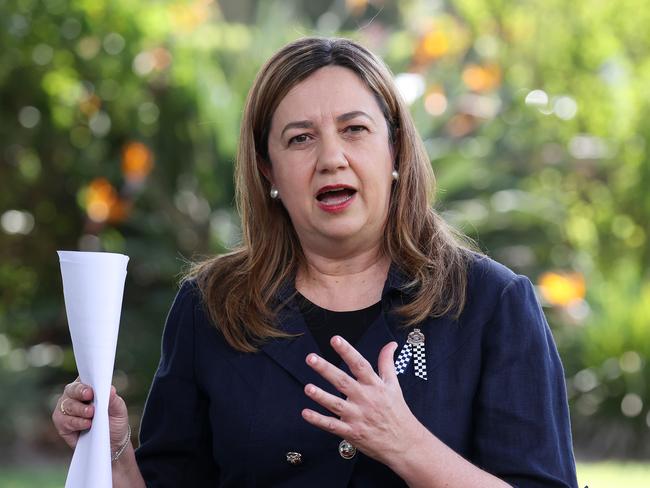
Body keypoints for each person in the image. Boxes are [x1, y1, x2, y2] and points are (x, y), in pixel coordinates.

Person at [52, 37, 579, 487]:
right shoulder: (212, 306)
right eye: (300, 138)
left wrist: (408, 445)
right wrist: (114, 448)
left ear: (395, 151)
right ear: (268, 171)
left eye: (354, 129)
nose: (331, 157)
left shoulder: (490, 303)